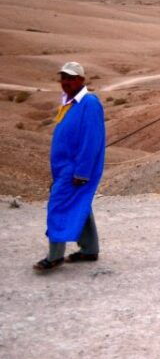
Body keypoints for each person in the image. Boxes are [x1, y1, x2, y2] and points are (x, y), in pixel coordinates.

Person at [34, 61, 106, 272]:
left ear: (81, 80)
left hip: (75, 169)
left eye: (71, 78)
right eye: (63, 78)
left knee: (58, 206)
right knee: (80, 203)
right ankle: (90, 250)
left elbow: (91, 140)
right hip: (65, 168)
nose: (65, 82)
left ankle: (54, 256)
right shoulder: (69, 102)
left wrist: (82, 172)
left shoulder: (89, 103)